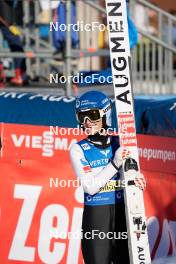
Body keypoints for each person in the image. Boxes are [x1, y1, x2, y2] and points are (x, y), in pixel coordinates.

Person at [70, 90, 146, 264]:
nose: (87, 122)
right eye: (82, 117)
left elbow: (130, 172)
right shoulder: (78, 149)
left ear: (106, 114)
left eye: (93, 115)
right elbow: (90, 187)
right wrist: (114, 163)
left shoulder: (121, 142)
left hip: (122, 214)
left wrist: (136, 176)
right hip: (96, 219)